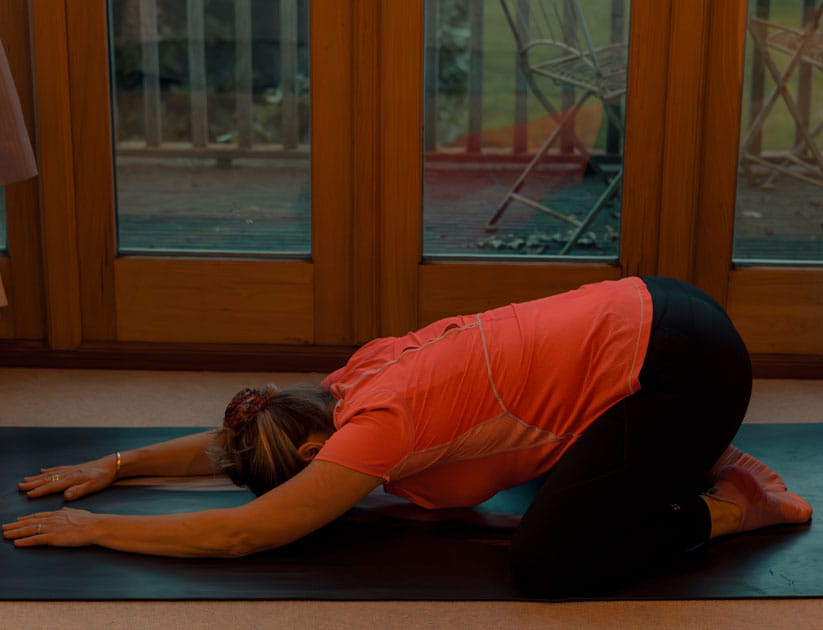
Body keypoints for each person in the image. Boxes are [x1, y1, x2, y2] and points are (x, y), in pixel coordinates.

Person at [2, 276, 813, 597]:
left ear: (322, 451)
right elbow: (238, 444)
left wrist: (97, 528)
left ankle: (735, 500)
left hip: (686, 373)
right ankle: (682, 453)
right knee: (516, 471)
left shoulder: (377, 424)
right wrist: (116, 464)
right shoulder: (346, 384)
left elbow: (244, 533)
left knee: (548, 563)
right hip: (662, 311)